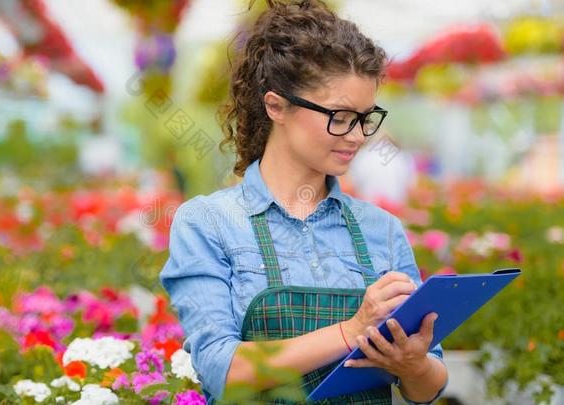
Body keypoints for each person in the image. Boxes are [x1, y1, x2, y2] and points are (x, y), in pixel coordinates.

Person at [159, 1, 448, 403]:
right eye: (340, 116)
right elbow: (222, 370)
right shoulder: (209, 222)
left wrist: (413, 364)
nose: (357, 136)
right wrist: (353, 329)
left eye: (365, 118)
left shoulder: (381, 229)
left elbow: (428, 390)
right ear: (276, 106)